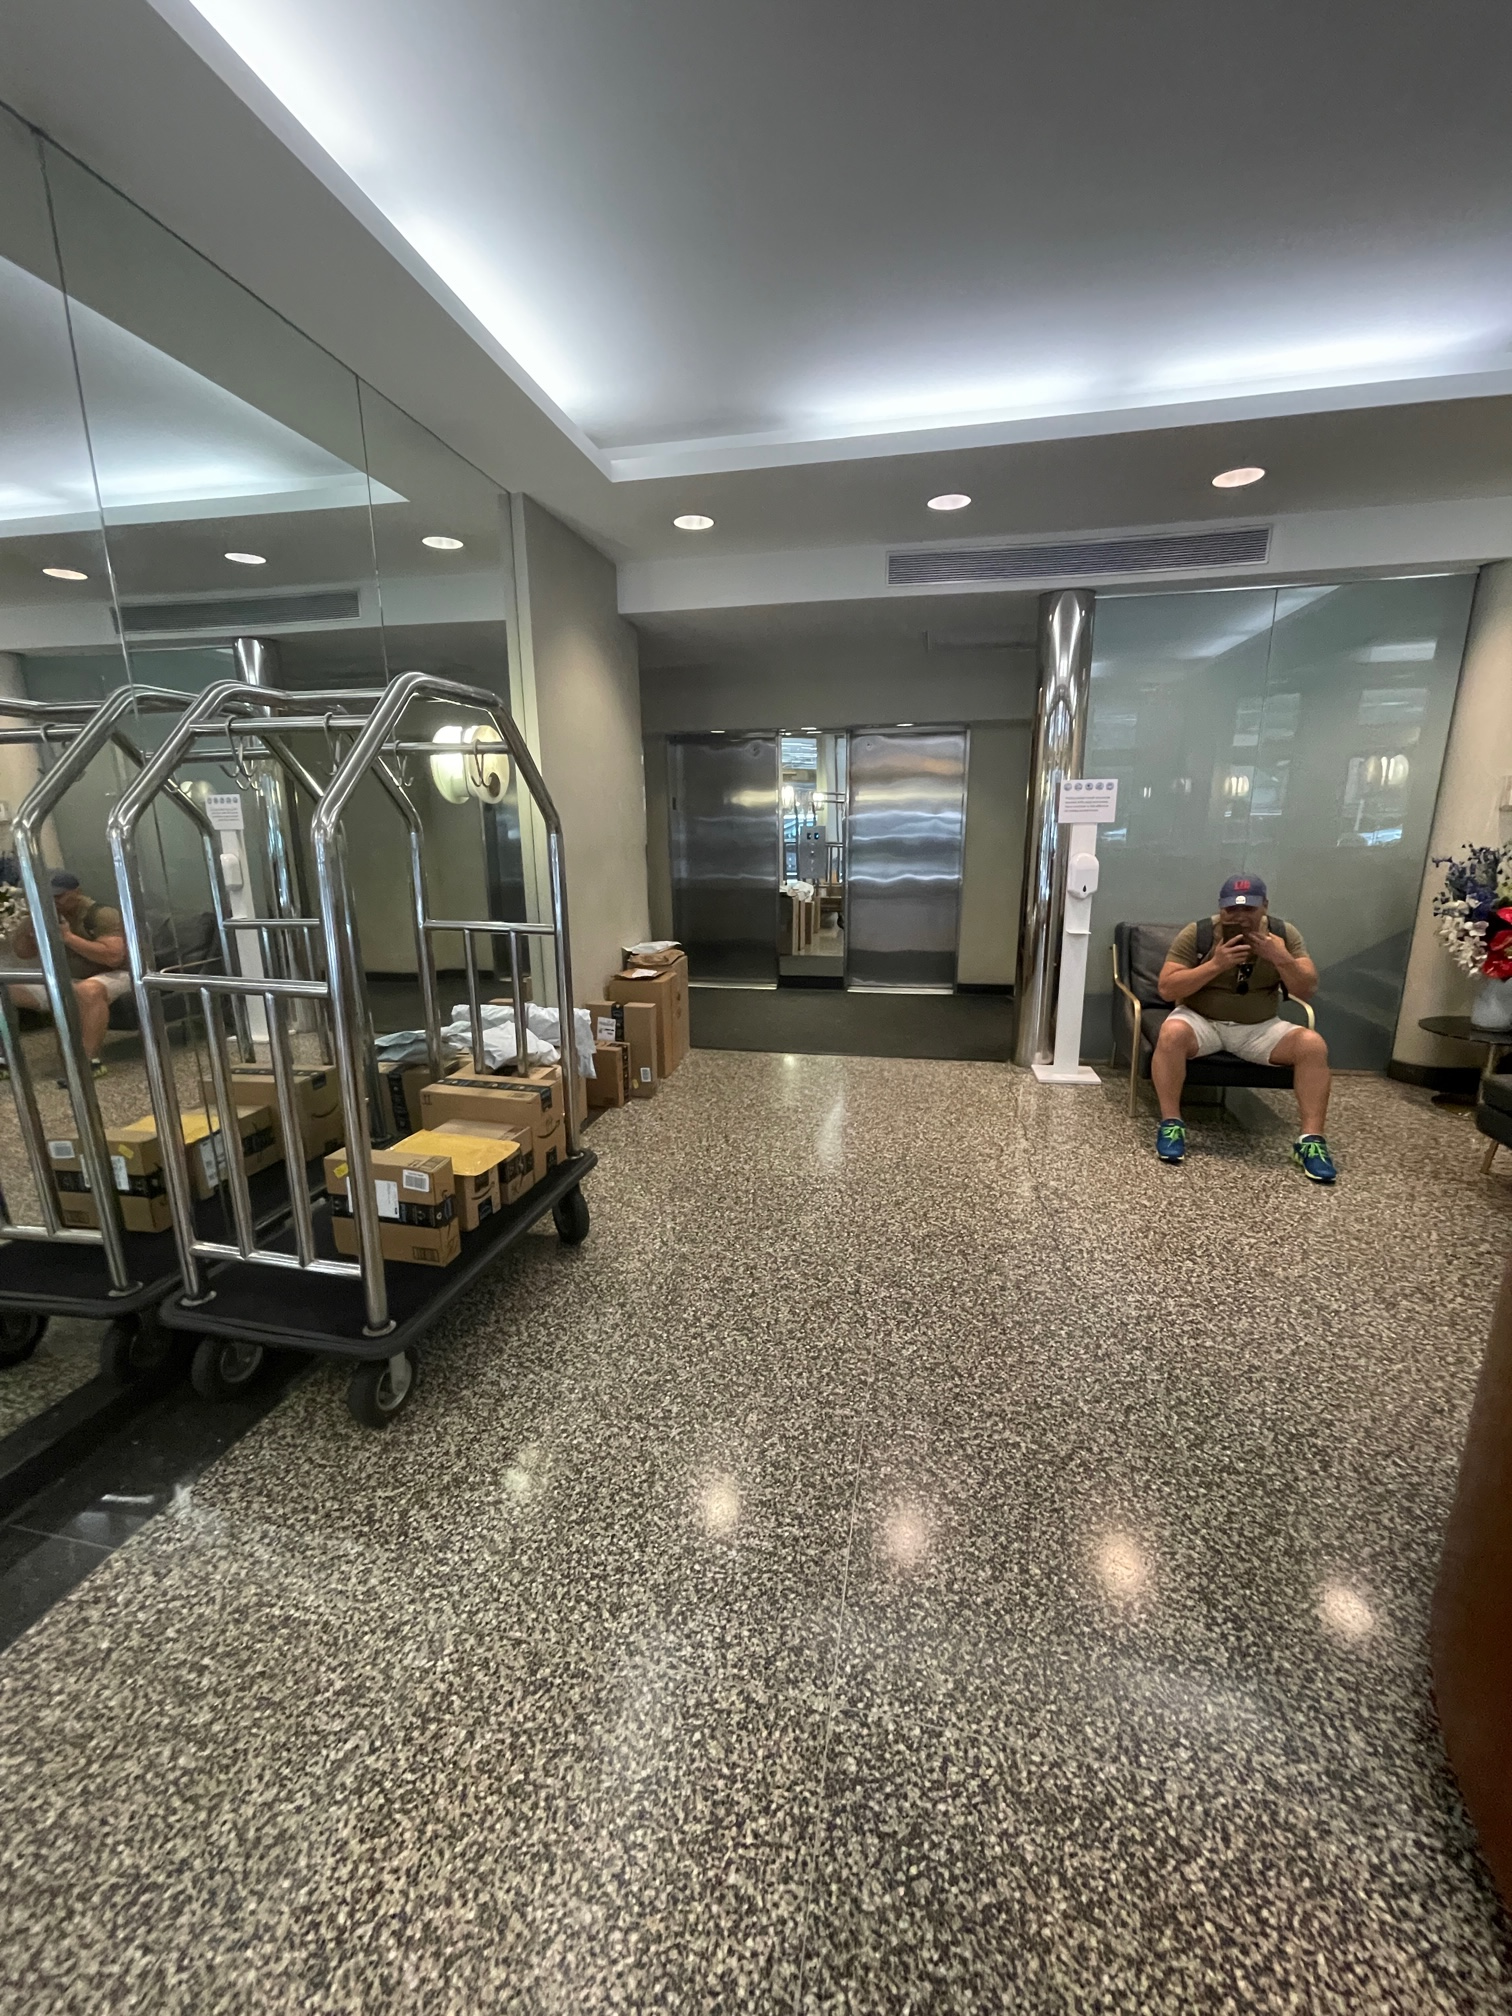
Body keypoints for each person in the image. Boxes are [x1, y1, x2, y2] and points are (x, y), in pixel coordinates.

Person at [1151, 873, 1336, 1183]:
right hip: (1201, 1021)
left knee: (1312, 1045)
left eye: (1248, 909)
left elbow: (1306, 990)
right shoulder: (1199, 933)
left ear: (1264, 906)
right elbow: (1167, 989)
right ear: (1220, 908)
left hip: (1258, 1028)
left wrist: (1281, 959)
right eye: (1231, 910)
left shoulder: (1284, 935)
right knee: (1171, 1034)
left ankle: (1311, 1142)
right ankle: (1171, 1124)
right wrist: (1215, 964)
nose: (1239, 917)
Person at [7, 870, 130, 1076]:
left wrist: (68, 938)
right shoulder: (43, 914)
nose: (52, 902)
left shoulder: (101, 914)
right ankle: (4, 1059)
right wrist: (30, 929)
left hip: (117, 974)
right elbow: (23, 953)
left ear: (77, 892)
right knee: (4, 988)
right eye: (45, 897)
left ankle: (89, 1062)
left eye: (58, 896)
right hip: (67, 979)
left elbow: (113, 957)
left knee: (87, 990)